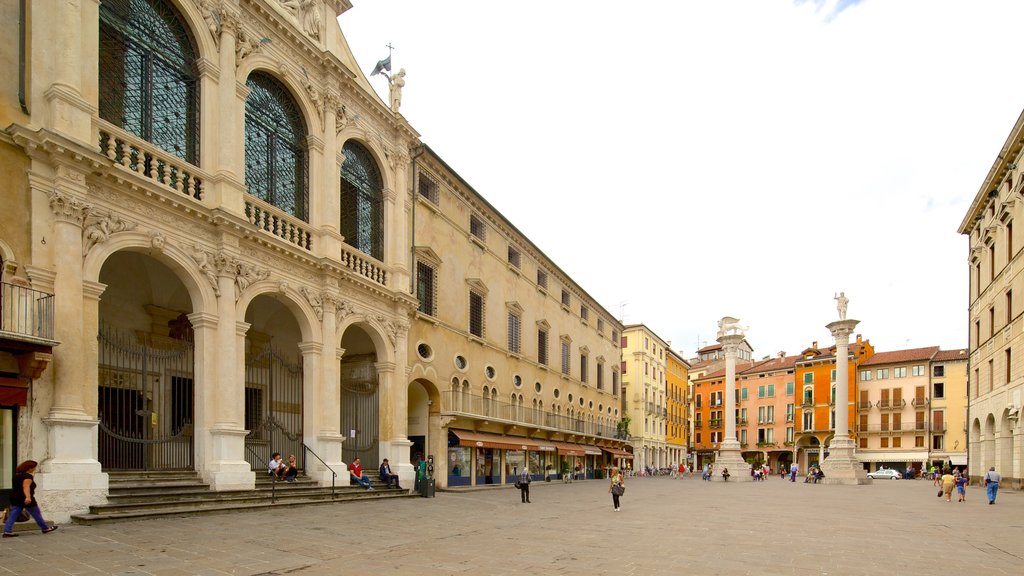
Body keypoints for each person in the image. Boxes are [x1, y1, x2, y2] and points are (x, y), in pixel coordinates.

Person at [3, 460, 58, 537]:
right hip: (24, 497)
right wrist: (28, 497)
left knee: (13, 514)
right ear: (29, 468)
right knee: (36, 513)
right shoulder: (28, 477)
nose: (34, 469)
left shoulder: (17, 475)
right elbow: (26, 487)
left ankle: (7, 531)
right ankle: (45, 528)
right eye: (34, 468)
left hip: (15, 497)